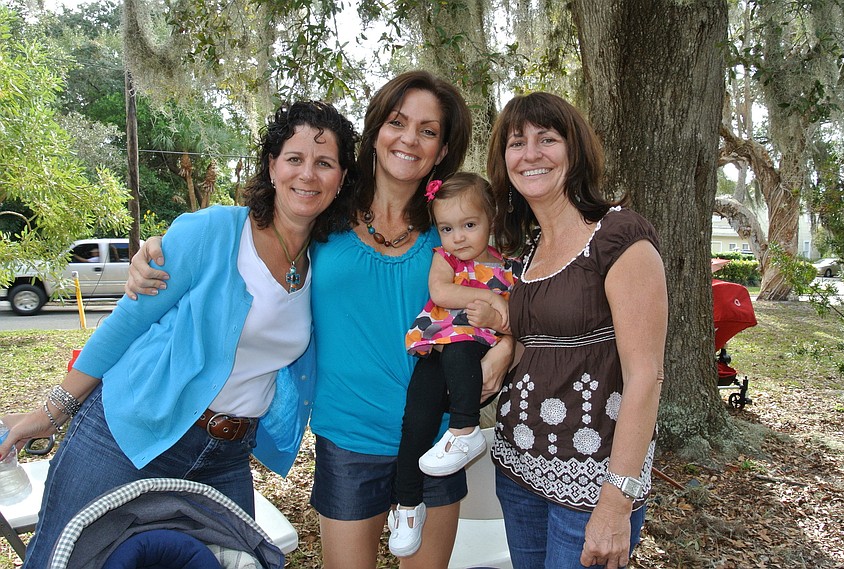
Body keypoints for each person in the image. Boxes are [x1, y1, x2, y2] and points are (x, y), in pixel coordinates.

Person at [124, 71, 515, 569]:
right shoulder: (325, 214)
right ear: (376, 131)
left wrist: (507, 347)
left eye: (428, 130)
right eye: (398, 122)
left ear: (442, 151)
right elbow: (243, 239)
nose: (409, 139)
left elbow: (515, 297)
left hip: (434, 440)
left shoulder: (456, 229)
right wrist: (162, 249)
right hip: (348, 440)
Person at [0, 100, 358, 568]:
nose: (307, 174)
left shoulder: (328, 262)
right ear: (272, 167)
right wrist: (51, 412)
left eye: (324, 162)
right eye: (294, 158)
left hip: (227, 455)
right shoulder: (211, 231)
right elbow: (127, 323)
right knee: (62, 560)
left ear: (342, 179)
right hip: (128, 434)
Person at [486, 91, 668, 569]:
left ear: (575, 151)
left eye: (547, 139)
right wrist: (506, 349)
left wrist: (617, 501)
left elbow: (646, 376)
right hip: (517, 466)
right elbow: (539, 338)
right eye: (516, 143)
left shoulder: (618, 236)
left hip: (592, 483)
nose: (530, 154)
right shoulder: (526, 250)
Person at [391, 172, 520, 557]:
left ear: (491, 221)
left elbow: (519, 318)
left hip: (473, 350)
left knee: (464, 350)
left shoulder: (509, 267)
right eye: (447, 228)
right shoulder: (443, 258)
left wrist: (502, 317)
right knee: (416, 421)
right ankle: (407, 505)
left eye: (469, 225)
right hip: (437, 347)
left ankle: (464, 430)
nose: (458, 237)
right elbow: (440, 291)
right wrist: (491, 300)